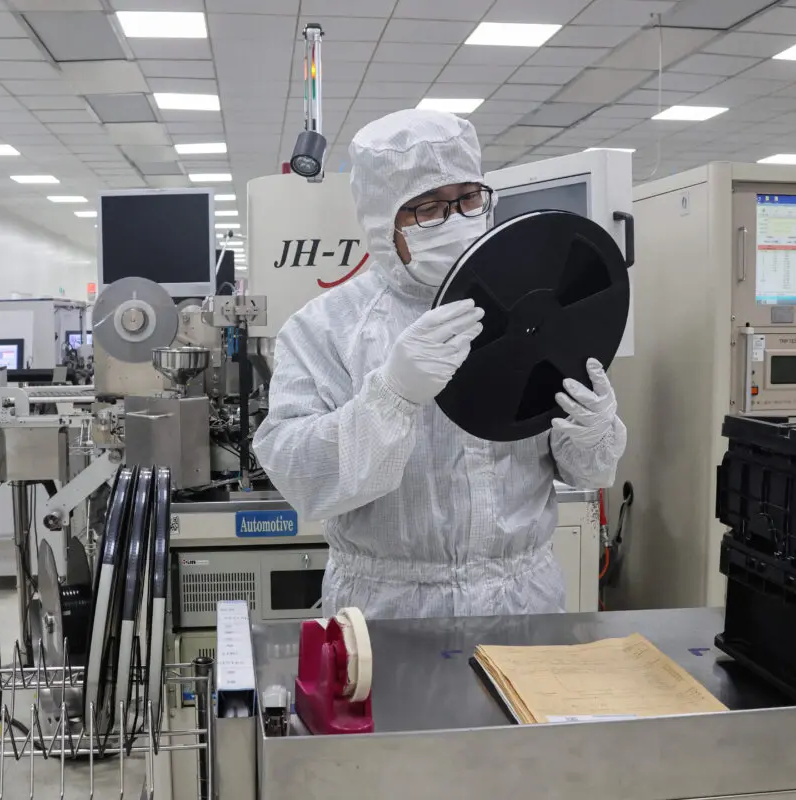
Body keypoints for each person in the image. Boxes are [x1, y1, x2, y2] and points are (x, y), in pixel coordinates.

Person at [252, 108, 626, 620]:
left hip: (523, 601)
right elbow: (302, 478)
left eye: (468, 198)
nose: (456, 220)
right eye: (427, 208)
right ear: (383, 224)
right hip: (388, 610)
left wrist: (590, 431)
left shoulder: (538, 302)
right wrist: (391, 396)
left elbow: (585, 470)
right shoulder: (326, 327)